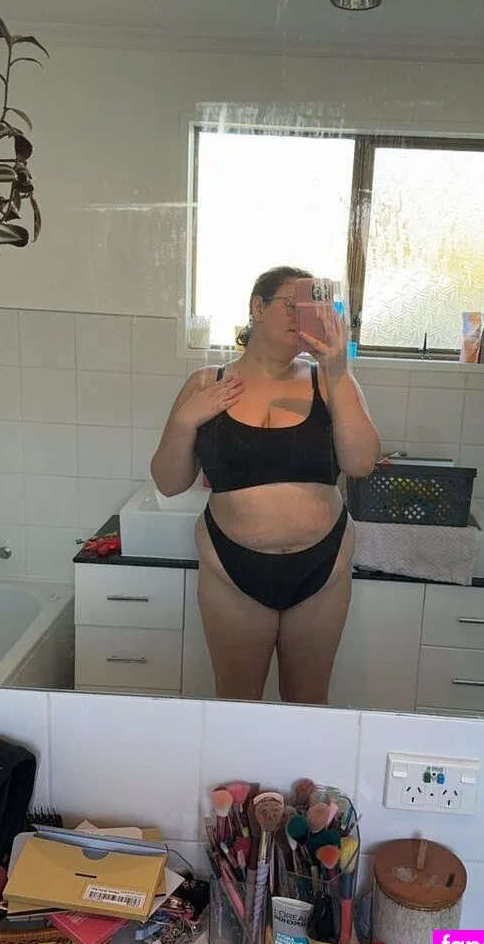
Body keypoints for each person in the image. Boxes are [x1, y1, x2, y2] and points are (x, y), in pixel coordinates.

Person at [151, 266, 381, 704]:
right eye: (293, 305)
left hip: (322, 568)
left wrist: (338, 370)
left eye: (314, 308)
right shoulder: (206, 383)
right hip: (230, 568)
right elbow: (169, 482)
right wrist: (184, 421)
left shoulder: (329, 380)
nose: (303, 317)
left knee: (308, 700)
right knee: (237, 700)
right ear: (258, 308)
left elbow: (361, 463)